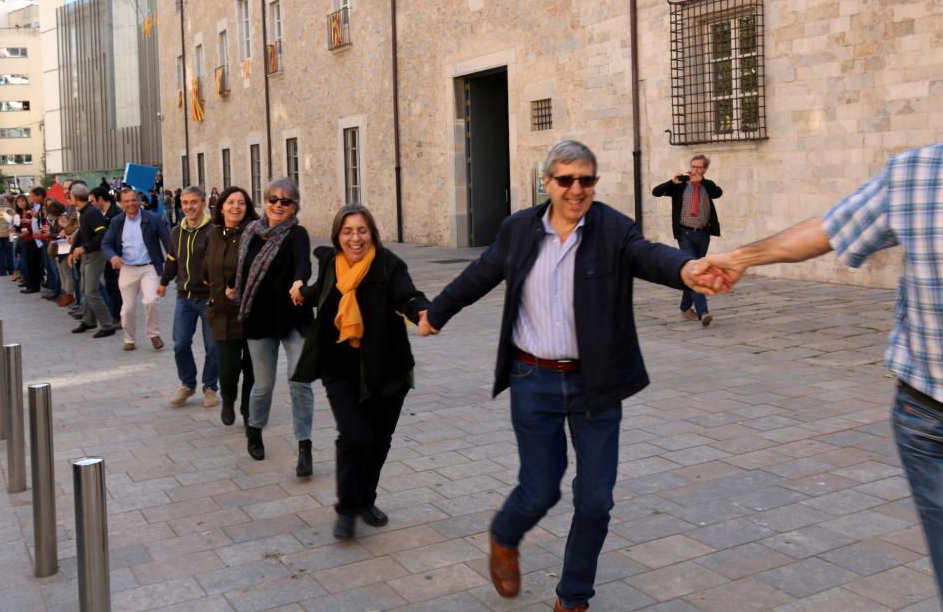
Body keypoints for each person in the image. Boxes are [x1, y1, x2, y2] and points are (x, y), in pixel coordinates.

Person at [420, 140, 712, 612]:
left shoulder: (614, 229)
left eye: (586, 180)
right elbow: (482, 272)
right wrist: (437, 312)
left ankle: (573, 597)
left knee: (596, 499)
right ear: (547, 182)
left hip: (596, 383)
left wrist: (688, 268)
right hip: (532, 378)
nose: (577, 189)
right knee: (540, 487)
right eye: (566, 180)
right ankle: (505, 535)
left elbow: (648, 255)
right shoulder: (518, 230)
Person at [696, 143, 943, 600]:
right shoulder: (915, 172)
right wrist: (737, 259)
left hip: (927, 409)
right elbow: (827, 229)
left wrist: (738, 259)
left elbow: (827, 230)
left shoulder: (920, 171)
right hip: (926, 418)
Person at [291, 203, 430, 540]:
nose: (356, 238)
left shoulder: (388, 264)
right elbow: (319, 293)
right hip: (339, 367)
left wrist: (423, 312)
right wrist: (300, 293)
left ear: (372, 233)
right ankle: (347, 508)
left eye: (362, 230)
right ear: (339, 235)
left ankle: (366, 501)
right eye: (348, 231)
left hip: (386, 368)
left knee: (379, 441)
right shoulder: (330, 264)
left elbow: (407, 296)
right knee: (355, 436)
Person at [231, 179, 314, 468]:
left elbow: (304, 262)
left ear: (294, 207)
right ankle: (254, 430)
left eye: (286, 201)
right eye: (273, 199)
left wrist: (299, 280)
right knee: (263, 385)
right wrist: (232, 287)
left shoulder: (297, 234)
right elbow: (241, 269)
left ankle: (305, 447)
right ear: (265, 201)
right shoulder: (252, 233)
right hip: (259, 318)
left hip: (293, 318)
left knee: (299, 380)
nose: (278, 205)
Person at [158, 186, 219, 408]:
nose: (189, 207)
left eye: (194, 202)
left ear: (203, 203)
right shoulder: (176, 231)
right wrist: (163, 282)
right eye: (185, 203)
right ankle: (188, 383)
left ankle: (210, 387)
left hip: (209, 299)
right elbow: (172, 260)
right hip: (184, 297)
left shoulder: (214, 230)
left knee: (213, 347)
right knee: (180, 344)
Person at [203, 187, 258, 426]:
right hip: (222, 312)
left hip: (252, 310)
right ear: (221, 206)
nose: (236, 207)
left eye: (241, 203)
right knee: (228, 366)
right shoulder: (212, 235)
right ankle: (228, 399)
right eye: (231, 202)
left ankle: (248, 408)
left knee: (252, 366)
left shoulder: (255, 234)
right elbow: (205, 265)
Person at [651, 154, 723, 326]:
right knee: (696, 271)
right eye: (693, 166)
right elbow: (656, 192)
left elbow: (718, 193)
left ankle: (685, 307)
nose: (695, 170)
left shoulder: (708, 186)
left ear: (704, 169)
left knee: (692, 272)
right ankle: (703, 312)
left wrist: (702, 181)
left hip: (703, 235)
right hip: (685, 235)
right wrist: (671, 182)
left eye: (699, 167)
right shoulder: (680, 185)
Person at [102, 188, 171, 352]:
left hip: (149, 267)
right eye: (126, 201)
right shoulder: (117, 222)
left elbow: (169, 242)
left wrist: (174, 264)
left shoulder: (152, 219)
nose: (131, 204)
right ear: (121, 203)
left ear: (139, 200)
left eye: (133, 200)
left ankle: (153, 334)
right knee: (128, 309)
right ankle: (129, 338)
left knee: (151, 300)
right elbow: (106, 244)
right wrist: (113, 257)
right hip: (127, 268)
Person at [68, 183, 116, 338]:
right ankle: (89, 321)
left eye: (69, 196)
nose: (69, 198)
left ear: (75, 197)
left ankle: (108, 325)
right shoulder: (84, 212)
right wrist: (72, 251)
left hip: (95, 255)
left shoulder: (92, 213)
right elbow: (81, 234)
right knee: (84, 290)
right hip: (87, 255)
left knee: (91, 292)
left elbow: (102, 234)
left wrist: (84, 248)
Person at [92, 186, 123, 326]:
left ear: (100, 199)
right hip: (108, 254)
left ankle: (118, 314)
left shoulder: (115, 213)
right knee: (110, 283)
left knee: (115, 285)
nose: (92, 204)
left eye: (93, 200)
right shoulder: (103, 213)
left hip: (116, 254)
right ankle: (115, 311)